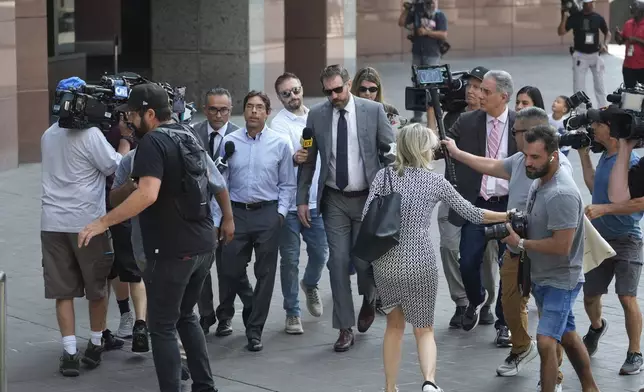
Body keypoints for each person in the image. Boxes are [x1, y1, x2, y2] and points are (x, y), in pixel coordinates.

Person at [78, 83, 235, 392]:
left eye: (133, 115)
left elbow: (147, 195)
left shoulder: (151, 143)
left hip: (172, 250)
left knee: (161, 326)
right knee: (186, 316)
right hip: (202, 245)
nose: (127, 122)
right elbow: (216, 184)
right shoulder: (187, 134)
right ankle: (205, 386)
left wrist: (101, 222)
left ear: (150, 114)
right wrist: (227, 219)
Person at [369, 123, 511, 392]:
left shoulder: (383, 176)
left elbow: (368, 216)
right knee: (424, 328)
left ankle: (390, 387)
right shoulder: (435, 182)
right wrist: (507, 215)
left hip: (386, 260)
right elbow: (472, 213)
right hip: (420, 260)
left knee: (394, 328)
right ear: (424, 149)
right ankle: (429, 382)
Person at [442, 107, 573, 390]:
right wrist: (456, 152)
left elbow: (565, 225)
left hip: (547, 254)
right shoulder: (520, 160)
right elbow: (489, 165)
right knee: (510, 303)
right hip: (517, 247)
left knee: (553, 325)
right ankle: (522, 348)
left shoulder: (557, 169)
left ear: (532, 133)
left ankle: (554, 377)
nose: (514, 137)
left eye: (517, 132)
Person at [296, 64, 395, 352]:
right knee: (338, 263)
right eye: (328, 91)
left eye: (338, 89)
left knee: (365, 262)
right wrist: (302, 198)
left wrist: (394, 195)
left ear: (349, 84)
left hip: (368, 197)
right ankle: (344, 327)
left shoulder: (372, 111)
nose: (334, 96)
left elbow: (390, 153)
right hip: (334, 199)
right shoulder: (316, 115)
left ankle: (369, 298)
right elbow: (309, 160)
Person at [501, 125, 600, 392]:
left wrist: (519, 242)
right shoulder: (538, 182)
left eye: (535, 158)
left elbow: (562, 246)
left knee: (545, 341)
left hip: (561, 280)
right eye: (526, 156)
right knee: (567, 335)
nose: (528, 163)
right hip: (542, 277)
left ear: (553, 156)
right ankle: (590, 387)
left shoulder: (561, 193)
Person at [41, 77, 124, 376]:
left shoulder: (48, 135)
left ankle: (69, 352)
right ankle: (95, 342)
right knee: (97, 287)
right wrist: (125, 141)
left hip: (51, 223)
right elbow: (116, 166)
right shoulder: (90, 135)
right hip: (88, 224)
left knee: (62, 290)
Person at [436, 70, 517, 345]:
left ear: (503, 97)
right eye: (479, 90)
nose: (480, 95)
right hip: (476, 205)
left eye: (486, 91)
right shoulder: (468, 121)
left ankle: (504, 323)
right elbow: (443, 148)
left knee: (510, 266)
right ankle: (475, 299)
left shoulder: (520, 124)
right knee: (468, 261)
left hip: (509, 207)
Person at [219, 90, 297, 351]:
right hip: (236, 213)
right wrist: (222, 217)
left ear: (267, 113)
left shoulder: (279, 143)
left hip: (267, 213)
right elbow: (221, 183)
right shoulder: (229, 142)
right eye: (249, 106)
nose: (253, 111)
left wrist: (280, 214)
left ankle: (255, 330)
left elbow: (287, 183)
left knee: (265, 273)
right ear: (244, 111)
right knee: (230, 268)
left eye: (259, 107)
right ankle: (251, 304)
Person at [577, 108, 644, 375]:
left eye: (596, 123)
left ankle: (635, 353)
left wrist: (604, 210)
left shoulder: (632, 162)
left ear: (611, 129)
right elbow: (596, 187)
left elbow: (640, 202)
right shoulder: (605, 156)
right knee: (590, 295)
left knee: (627, 297)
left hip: (627, 239)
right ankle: (596, 327)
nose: (592, 127)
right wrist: (583, 156)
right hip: (599, 238)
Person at [271, 72, 328, 334]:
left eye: (295, 90)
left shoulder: (316, 115)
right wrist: (295, 158)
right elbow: (285, 156)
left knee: (320, 253)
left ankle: (311, 283)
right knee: (290, 259)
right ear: (280, 98)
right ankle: (292, 312)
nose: (293, 96)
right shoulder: (279, 124)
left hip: (317, 200)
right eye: (286, 93)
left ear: (302, 88)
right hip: (291, 203)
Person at [192, 87, 242, 337]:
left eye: (223, 110)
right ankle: (205, 314)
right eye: (213, 109)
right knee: (201, 267)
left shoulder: (239, 136)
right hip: (200, 214)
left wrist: (228, 216)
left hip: (229, 211)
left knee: (228, 268)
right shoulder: (193, 133)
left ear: (231, 111)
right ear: (205, 110)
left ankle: (225, 315)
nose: (218, 115)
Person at [398, 0, 448, 123]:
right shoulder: (416, 12)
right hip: (417, 52)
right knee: (417, 84)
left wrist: (427, 32)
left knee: (432, 85)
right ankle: (418, 115)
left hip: (432, 54)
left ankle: (434, 115)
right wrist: (406, 9)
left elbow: (443, 34)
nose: (429, 4)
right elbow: (401, 22)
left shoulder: (439, 15)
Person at [557, 0, 609, 108]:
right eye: (588, 3)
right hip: (581, 56)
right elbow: (561, 31)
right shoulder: (575, 17)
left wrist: (605, 44)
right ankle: (581, 112)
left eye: (592, 2)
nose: (591, 5)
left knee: (600, 85)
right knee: (579, 86)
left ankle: (603, 108)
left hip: (595, 55)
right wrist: (565, 15)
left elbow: (607, 33)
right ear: (584, 4)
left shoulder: (598, 17)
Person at [615, 0, 644, 88]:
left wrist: (636, 40)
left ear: (641, 11)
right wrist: (617, 36)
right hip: (628, 66)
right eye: (632, 9)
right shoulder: (628, 24)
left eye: (635, 9)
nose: (632, 11)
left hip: (642, 67)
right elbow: (621, 42)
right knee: (629, 94)